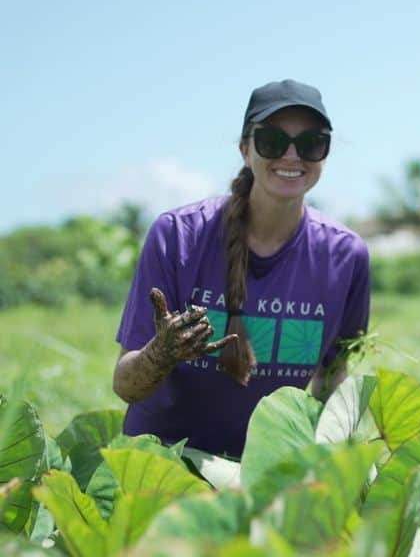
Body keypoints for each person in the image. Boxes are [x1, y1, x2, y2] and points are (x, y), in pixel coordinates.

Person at [113, 79, 371, 458]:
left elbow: (332, 381)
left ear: (325, 154)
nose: (292, 156)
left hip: (266, 474)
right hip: (165, 464)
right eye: (272, 141)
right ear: (245, 149)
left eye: (312, 143)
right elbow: (126, 386)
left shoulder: (346, 256)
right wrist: (161, 354)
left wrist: (337, 471)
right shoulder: (177, 237)